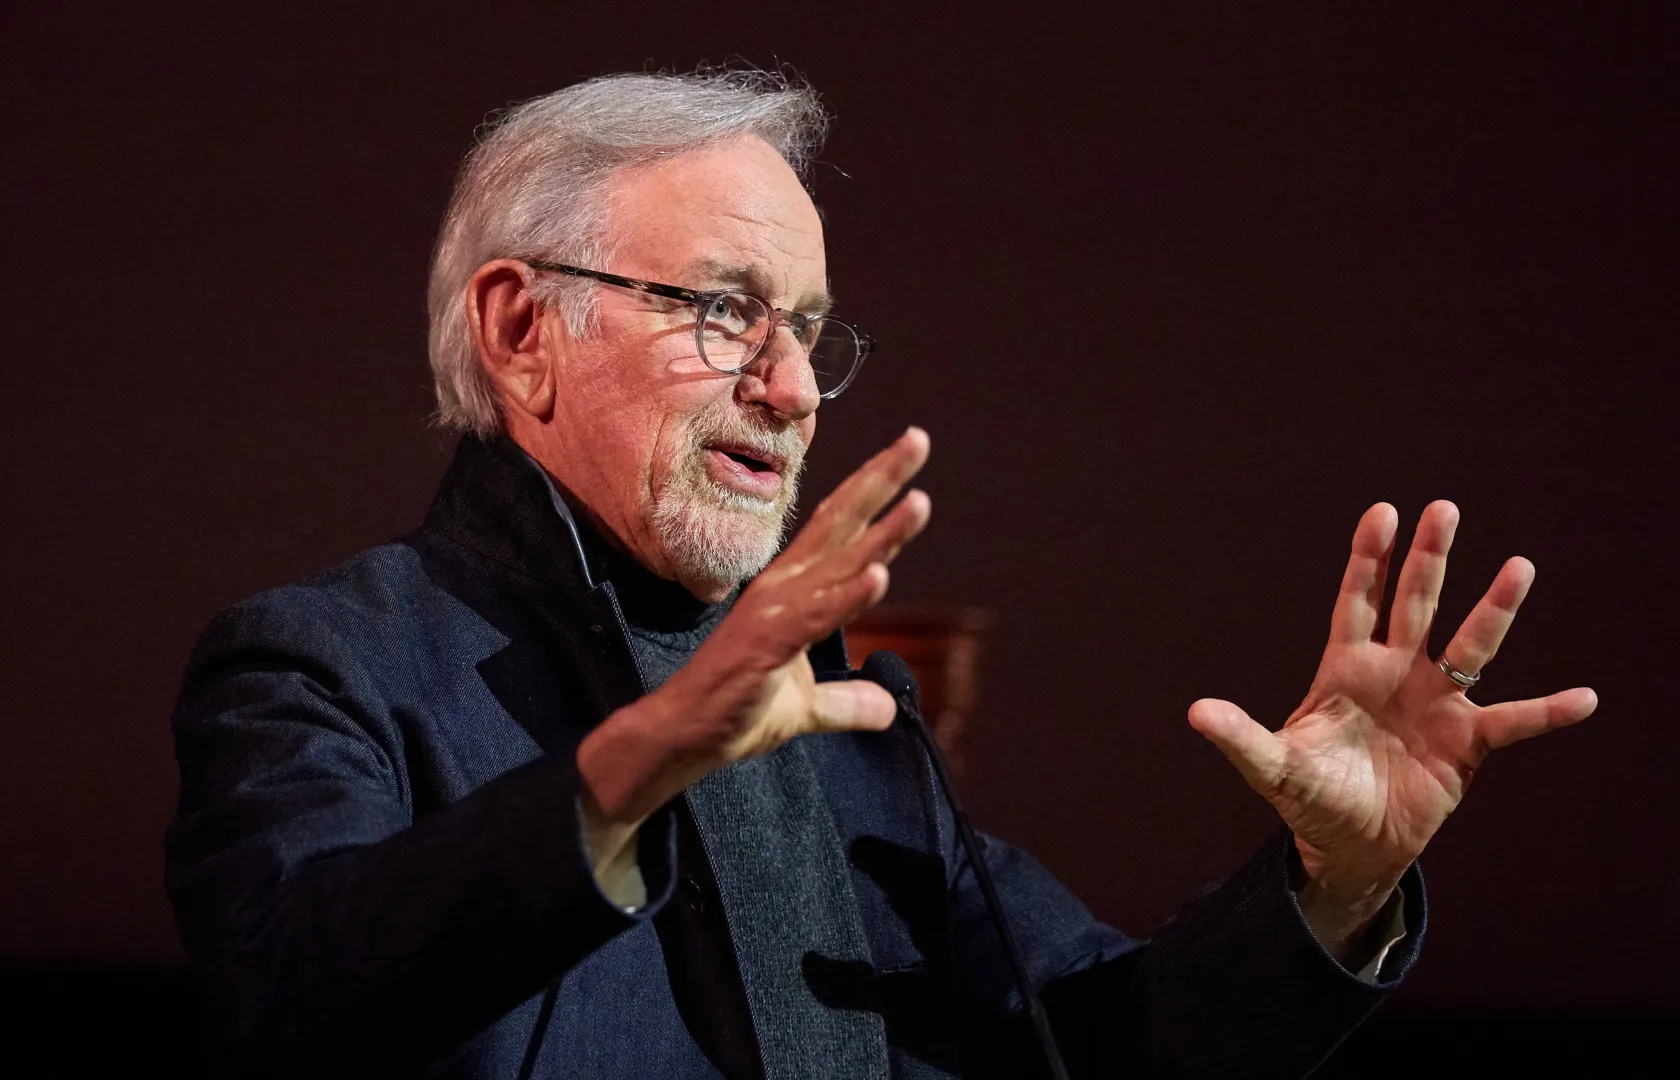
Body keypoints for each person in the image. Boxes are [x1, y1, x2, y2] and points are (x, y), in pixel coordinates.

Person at [164, 69, 1597, 1079]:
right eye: (724, 310)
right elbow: (292, 997)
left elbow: (1096, 1048)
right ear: (521, 330)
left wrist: (1337, 883)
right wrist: (637, 764)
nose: (793, 389)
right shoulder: (323, 664)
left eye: (808, 329)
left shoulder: (846, 721)